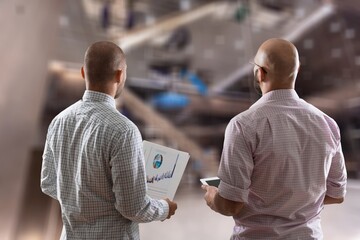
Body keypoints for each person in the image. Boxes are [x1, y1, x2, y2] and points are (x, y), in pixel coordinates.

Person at [202, 38, 347, 239]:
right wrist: (296, 201)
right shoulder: (327, 123)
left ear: (260, 73)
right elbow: (336, 194)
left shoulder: (243, 125)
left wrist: (212, 196)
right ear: (298, 70)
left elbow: (230, 205)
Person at [41, 41, 177, 239]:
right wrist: (165, 208)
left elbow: (48, 182)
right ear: (119, 75)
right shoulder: (124, 131)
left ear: (83, 73)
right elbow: (133, 208)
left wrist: (81, 198)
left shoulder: (59, 121)